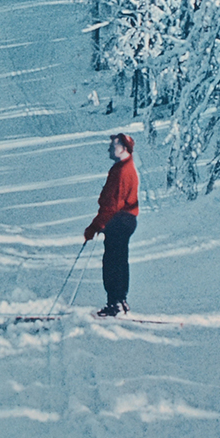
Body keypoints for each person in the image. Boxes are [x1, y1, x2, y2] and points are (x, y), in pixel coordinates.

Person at [84, 133, 139, 316]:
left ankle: (115, 302)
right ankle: (120, 301)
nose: (109, 148)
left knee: (112, 263)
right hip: (124, 220)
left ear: (123, 148)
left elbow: (112, 205)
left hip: (119, 220)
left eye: (113, 146)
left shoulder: (123, 171)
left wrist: (95, 226)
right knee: (119, 261)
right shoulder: (123, 167)